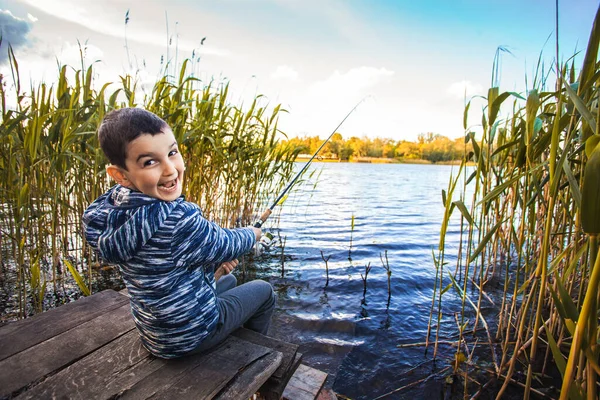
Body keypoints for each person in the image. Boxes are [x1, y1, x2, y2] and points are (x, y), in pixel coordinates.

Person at [83, 107, 276, 359]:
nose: (170, 170)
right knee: (264, 291)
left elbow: (162, 260)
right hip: (190, 337)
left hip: (155, 334)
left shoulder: (108, 212)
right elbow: (228, 243)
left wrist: (212, 267)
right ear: (121, 174)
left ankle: (219, 303)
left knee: (227, 280)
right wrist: (253, 233)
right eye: (150, 162)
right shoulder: (176, 219)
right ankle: (254, 355)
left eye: (172, 153)